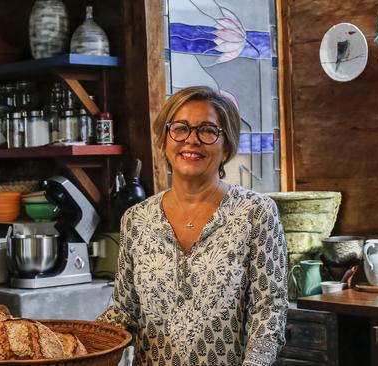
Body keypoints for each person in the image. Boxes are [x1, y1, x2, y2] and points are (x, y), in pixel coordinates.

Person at [97, 86, 288, 365]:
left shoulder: (255, 213)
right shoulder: (136, 219)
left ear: (227, 146)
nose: (192, 140)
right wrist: (77, 348)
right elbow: (124, 313)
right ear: (164, 140)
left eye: (208, 130)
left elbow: (269, 312)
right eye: (180, 128)